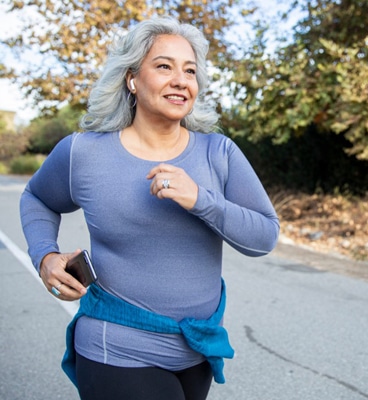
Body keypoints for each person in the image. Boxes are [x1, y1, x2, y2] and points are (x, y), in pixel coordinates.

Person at [19, 16, 280, 400]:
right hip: (116, 348)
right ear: (131, 80)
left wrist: (201, 200)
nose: (181, 80)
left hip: (196, 351)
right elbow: (37, 198)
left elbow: (264, 237)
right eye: (164, 66)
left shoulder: (218, 152)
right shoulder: (85, 152)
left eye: (190, 70)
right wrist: (45, 256)